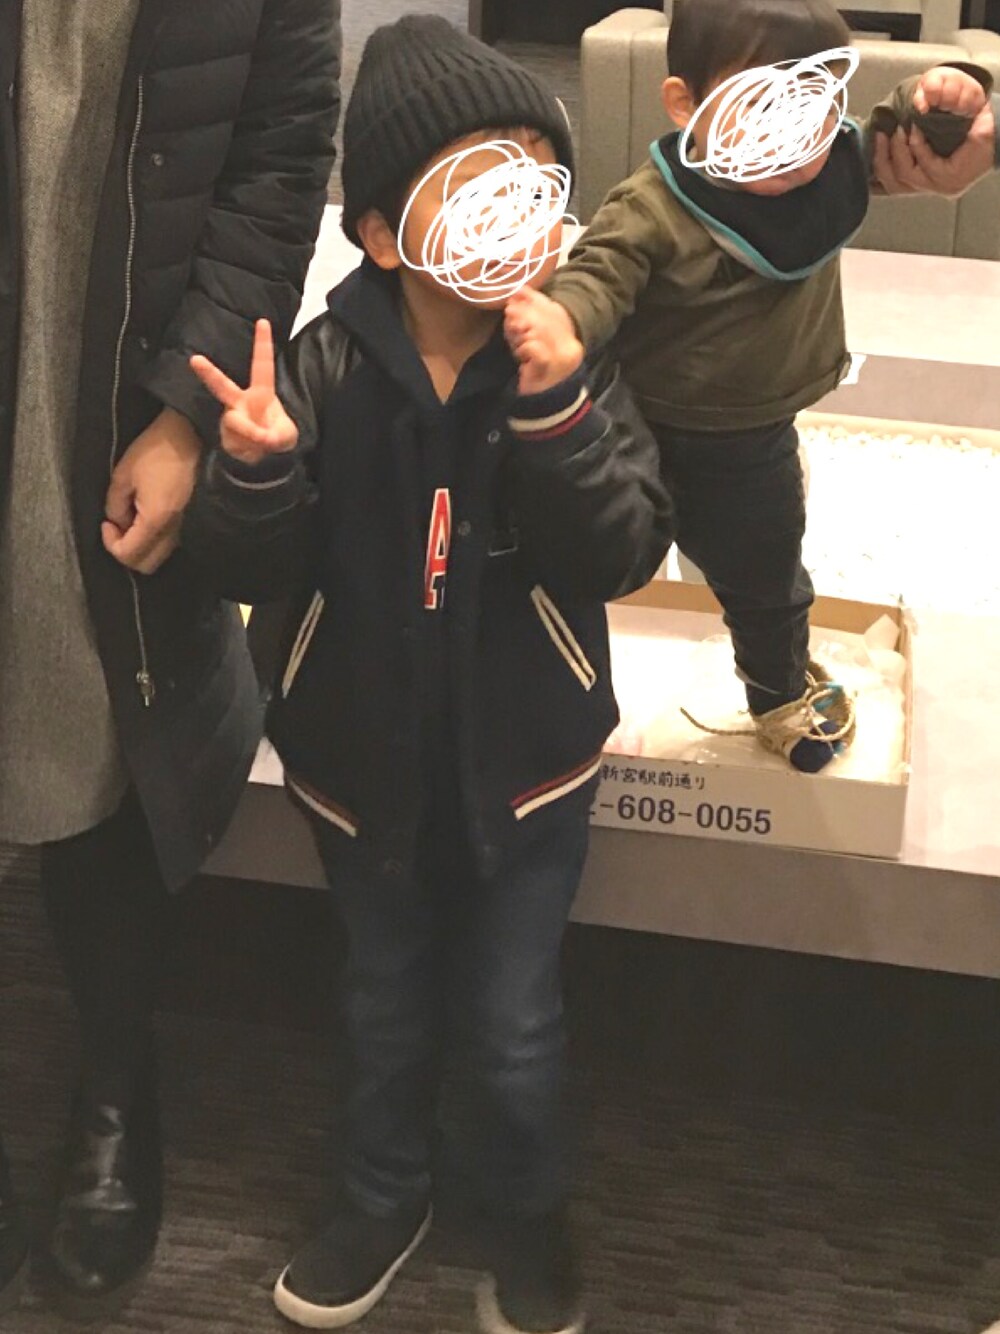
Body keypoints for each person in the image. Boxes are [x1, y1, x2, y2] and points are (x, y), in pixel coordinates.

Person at [182, 17, 675, 1333]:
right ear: (386, 234)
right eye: (479, 183)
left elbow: (625, 547)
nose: (519, 214)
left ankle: (527, 1209)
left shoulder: (574, 357)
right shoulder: (326, 365)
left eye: (535, 181)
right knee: (381, 1007)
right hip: (360, 769)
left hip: (530, 768)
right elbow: (248, 563)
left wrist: (558, 413)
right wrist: (254, 469)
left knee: (516, 1029)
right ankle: (380, 1194)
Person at [0, 0, 340, 1316]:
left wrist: (192, 410)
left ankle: (110, 1078)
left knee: (102, 724)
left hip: (117, 382)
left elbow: (280, 146)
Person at [531, 0, 992, 773]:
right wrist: (563, 321)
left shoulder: (829, 165)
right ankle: (547, 682)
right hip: (635, 430)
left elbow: (894, 137)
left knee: (770, 584)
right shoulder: (653, 206)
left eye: (813, 107)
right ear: (685, 103)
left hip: (751, 442)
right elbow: (599, 271)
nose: (794, 139)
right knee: (584, 559)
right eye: (760, 107)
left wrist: (941, 97)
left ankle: (777, 695)